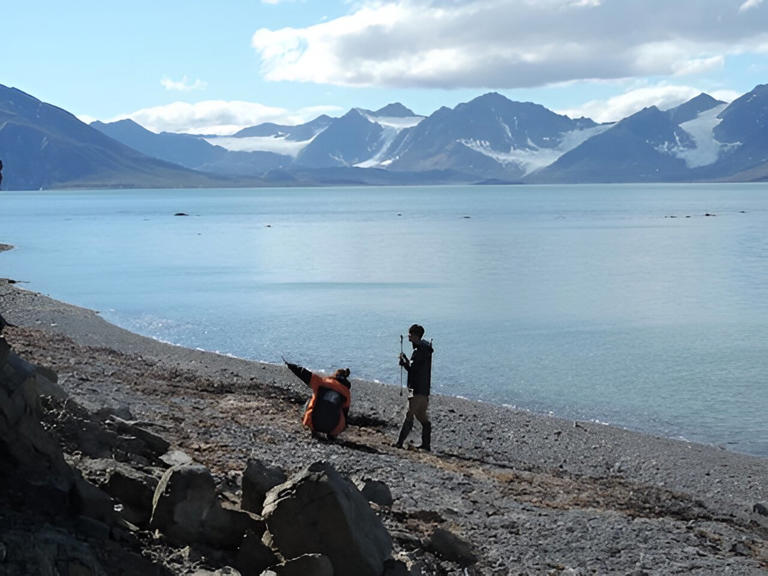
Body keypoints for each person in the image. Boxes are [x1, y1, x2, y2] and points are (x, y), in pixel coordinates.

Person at [285, 361, 351, 440]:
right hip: (333, 428)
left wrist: (290, 365)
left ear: (335, 375)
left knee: (310, 400)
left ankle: (312, 430)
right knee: (340, 409)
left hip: (314, 422)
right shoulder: (346, 393)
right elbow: (345, 413)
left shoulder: (322, 382)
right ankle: (332, 435)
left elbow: (304, 373)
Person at [395, 323, 434, 451]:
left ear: (416, 336)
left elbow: (413, 370)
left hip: (415, 390)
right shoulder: (426, 349)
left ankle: (399, 443)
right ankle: (426, 444)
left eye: (410, 335)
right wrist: (406, 360)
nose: (409, 338)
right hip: (424, 390)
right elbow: (418, 368)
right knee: (421, 416)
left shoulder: (418, 352)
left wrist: (404, 363)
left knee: (409, 414)